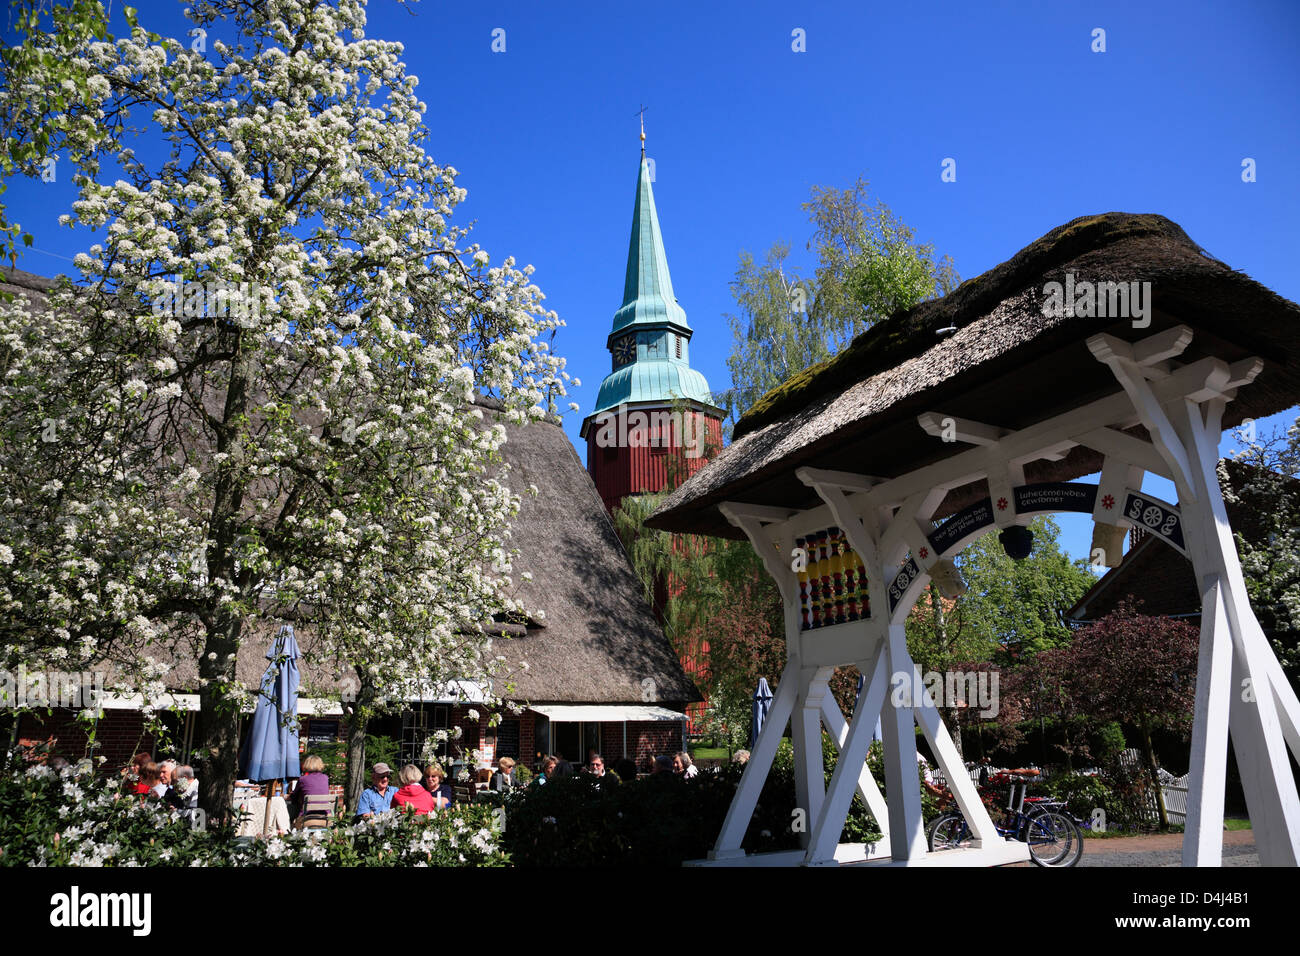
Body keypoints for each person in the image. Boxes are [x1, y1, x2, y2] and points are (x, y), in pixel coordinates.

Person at [289, 754, 330, 823]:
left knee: (290, 810)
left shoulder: (302, 779)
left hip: (306, 819)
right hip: (325, 818)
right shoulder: (325, 778)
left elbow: (294, 797)